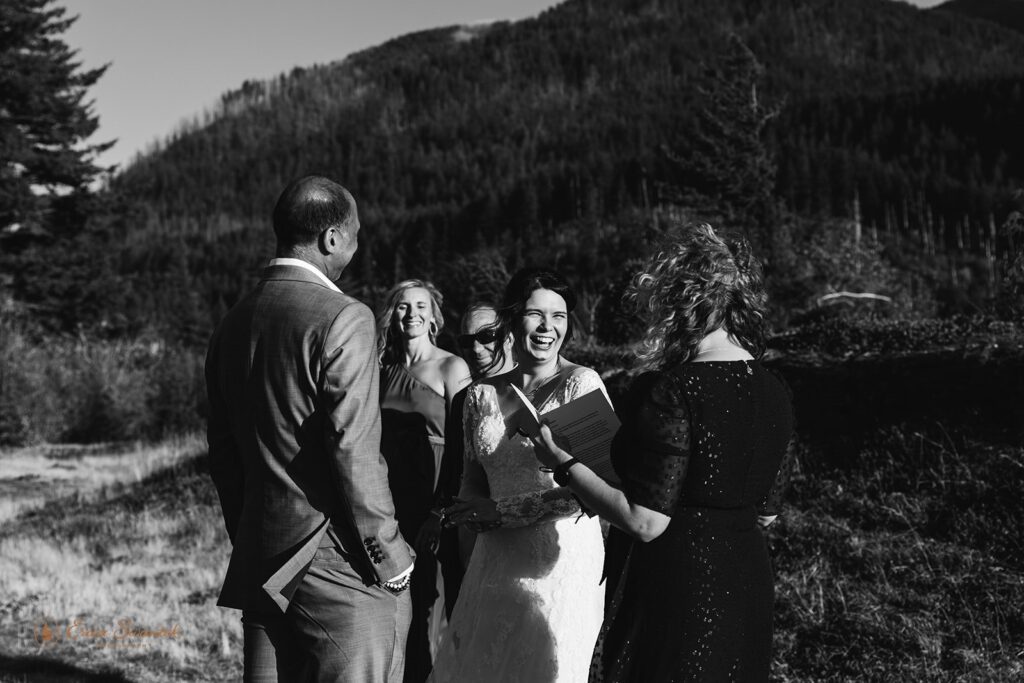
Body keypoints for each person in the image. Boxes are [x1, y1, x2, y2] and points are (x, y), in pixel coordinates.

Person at [531, 223, 796, 682]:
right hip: (748, 578)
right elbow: (767, 514)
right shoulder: (776, 389)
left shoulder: (675, 389)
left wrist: (565, 464)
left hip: (685, 585)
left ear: (682, 303)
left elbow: (645, 521)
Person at [205, 175, 414, 682]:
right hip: (335, 560)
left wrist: (248, 533)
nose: (358, 246)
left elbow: (224, 453)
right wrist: (389, 556)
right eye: (357, 234)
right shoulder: (344, 316)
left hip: (261, 552)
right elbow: (353, 450)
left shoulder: (232, 323)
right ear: (331, 239)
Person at [430, 268, 606, 683]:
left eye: (559, 316)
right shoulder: (480, 394)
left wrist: (502, 512)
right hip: (493, 561)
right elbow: (472, 476)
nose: (548, 327)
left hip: (559, 565)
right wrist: (470, 513)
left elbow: (596, 491)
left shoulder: (580, 384)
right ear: (511, 319)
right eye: (535, 314)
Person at [375, 280, 471, 683]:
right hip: (388, 499)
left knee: (432, 604)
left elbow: (464, 448)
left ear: (434, 316)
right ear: (392, 316)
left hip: (434, 498)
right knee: (394, 606)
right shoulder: (381, 370)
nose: (411, 313)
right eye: (401, 306)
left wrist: (442, 510)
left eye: (420, 306)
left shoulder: (452, 367)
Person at [440, 303, 516, 588]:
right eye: (466, 341)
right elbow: (454, 467)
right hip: (470, 528)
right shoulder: (464, 399)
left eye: (487, 336)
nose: (476, 347)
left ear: (508, 336)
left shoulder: (536, 389)